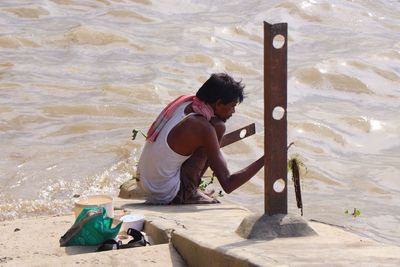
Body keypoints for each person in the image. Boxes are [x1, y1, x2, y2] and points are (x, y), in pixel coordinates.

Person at [138, 73, 264, 204]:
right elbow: (228, 184)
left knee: (217, 126)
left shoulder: (186, 102)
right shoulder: (201, 126)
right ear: (219, 103)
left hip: (146, 183)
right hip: (164, 193)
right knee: (218, 127)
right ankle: (189, 192)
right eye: (232, 106)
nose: (233, 111)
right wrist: (267, 158)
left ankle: (192, 188)